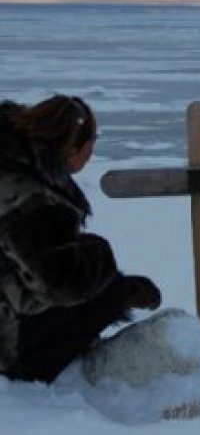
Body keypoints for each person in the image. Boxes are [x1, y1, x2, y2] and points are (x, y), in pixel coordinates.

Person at [0, 95, 161, 383]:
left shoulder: (13, 167)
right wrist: (101, 257)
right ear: (71, 146)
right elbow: (61, 285)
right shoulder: (31, 198)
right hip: (7, 344)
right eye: (91, 141)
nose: (92, 150)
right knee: (105, 294)